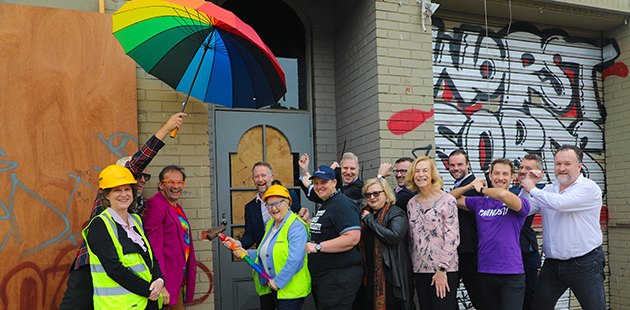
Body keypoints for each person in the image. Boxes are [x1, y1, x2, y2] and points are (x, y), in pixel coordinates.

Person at [59, 113, 185, 310]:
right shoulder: (103, 210)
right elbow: (138, 162)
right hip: (89, 269)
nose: (140, 180)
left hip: (128, 289)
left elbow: (147, 252)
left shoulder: (138, 208)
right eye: (135, 176)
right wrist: (166, 128)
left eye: (142, 179)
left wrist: (158, 280)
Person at [519, 145, 605, 310]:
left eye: (567, 163)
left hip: (585, 263)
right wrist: (526, 186)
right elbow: (525, 209)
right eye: (558, 164)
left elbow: (561, 203)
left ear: (579, 166)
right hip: (552, 265)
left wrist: (533, 188)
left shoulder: (588, 188)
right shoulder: (549, 190)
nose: (562, 168)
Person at [451, 158, 531, 310]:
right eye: (496, 174)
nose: (500, 178)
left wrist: (481, 189)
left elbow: (502, 195)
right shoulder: (479, 203)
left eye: (505, 174)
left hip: (511, 275)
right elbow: (449, 198)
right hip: (485, 272)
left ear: (512, 177)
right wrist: (470, 185)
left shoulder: (519, 202)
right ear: (490, 175)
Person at [83, 165, 164, 310]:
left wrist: (159, 280)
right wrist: (149, 290)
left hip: (146, 302)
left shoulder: (136, 221)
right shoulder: (100, 225)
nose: (124, 194)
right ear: (106, 195)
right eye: (117, 190)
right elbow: (114, 269)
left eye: (127, 189)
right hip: (120, 306)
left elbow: (150, 256)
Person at [227, 185, 311, 310]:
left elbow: (295, 260)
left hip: (290, 289)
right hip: (271, 286)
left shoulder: (296, 226)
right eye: (269, 205)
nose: (273, 208)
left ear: (288, 204)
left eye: (277, 203)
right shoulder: (272, 223)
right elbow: (268, 250)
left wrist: (278, 281)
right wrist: (247, 253)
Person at [302, 165, 362, 310]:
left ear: (334, 183)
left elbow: (352, 238)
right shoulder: (327, 203)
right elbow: (329, 231)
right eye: (316, 183)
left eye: (324, 182)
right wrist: (309, 222)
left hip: (338, 277)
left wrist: (318, 247)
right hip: (326, 277)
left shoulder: (343, 205)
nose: (319, 186)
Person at [406, 156, 459, 310]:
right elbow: (412, 239)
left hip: (443, 269)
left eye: (425, 170)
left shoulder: (447, 200)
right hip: (420, 270)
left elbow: (452, 238)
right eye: (417, 171)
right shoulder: (411, 203)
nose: (421, 175)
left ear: (432, 175)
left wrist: (442, 270)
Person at [354, 177, 414, 310]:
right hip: (368, 278)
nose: (372, 197)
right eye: (368, 194)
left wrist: (370, 221)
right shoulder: (365, 213)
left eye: (376, 193)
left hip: (390, 278)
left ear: (386, 193)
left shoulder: (396, 213)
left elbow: (394, 237)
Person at [145, 165, 197, 310]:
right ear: (161, 185)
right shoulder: (155, 206)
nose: (176, 186)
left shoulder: (175, 206)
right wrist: (160, 282)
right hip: (166, 282)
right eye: (171, 182)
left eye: (180, 182)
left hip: (177, 279)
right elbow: (154, 248)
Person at [223, 162, 301, 250]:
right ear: (253, 179)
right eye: (256, 176)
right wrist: (239, 243)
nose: (260, 179)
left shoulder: (290, 196)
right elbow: (250, 235)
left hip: (288, 253)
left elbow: (299, 223)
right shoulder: (250, 207)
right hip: (264, 256)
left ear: (271, 177)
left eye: (263, 175)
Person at [446, 149, 485, 310]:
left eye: (460, 164)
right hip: (458, 252)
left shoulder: (475, 187)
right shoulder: (461, 186)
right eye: (452, 165)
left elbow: (447, 199)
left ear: (468, 165)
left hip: (471, 253)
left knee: (479, 299)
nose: (456, 168)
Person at [510, 154, 545, 310]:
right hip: (509, 251)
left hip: (526, 250)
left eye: (529, 168)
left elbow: (523, 209)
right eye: (521, 167)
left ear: (538, 172)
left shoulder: (542, 190)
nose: (523, 171)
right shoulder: (511, 190)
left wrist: (532, 185)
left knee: (531, 295)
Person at [298, 152, 364, 204]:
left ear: (358, 170)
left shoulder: (360, 188)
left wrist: (309, 186)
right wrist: (304, 170)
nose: (348, 172)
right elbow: (316, 197)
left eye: (352, 169)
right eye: (345, 168)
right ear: (340, 168)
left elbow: (333, 197)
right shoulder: (337, 182)